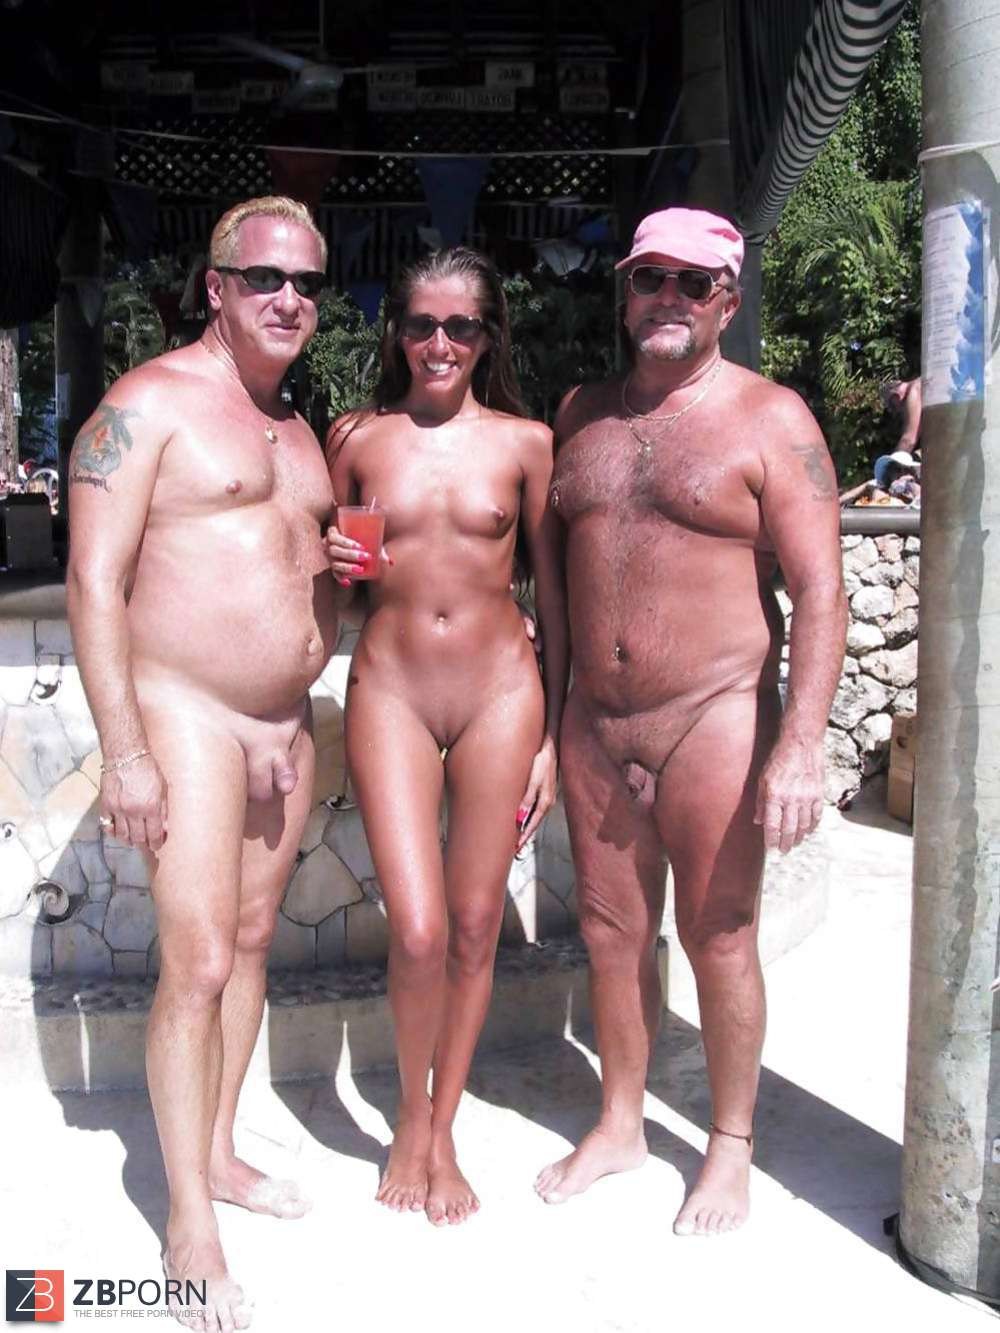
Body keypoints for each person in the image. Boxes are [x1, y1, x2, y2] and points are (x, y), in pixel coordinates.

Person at [534, 207, 847, 1234]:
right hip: (595, 720)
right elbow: (549, 579)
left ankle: (729, 1142)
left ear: (727, 300)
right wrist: (547, 718)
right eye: (649, 277)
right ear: (624, 291)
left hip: (715, 712)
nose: (667, 297)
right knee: (610, 932)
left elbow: (822, 589)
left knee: (719, 932)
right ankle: (620, 1122)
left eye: (692, 282)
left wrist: (800, 745)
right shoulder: (579, 413)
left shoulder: (772, 418)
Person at [67, 195, 340, 1331]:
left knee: (252, 943)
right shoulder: (144, 405)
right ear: (216, 286)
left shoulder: (298, 428)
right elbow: (93, 583)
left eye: (308, 283)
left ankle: (219, 1150)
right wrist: (126, 751)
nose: (288, 298)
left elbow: (283, 558)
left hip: (285, 722)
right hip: (184, 714)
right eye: (265, 277)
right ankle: (188, 1219)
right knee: (197, 962)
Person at [324, 247, 568, 1227]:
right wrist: (333, 561)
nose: (439, 342)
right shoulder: (356, 436)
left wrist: (551, 737)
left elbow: (553, 598)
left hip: (500, 695)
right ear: (397, 330)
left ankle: (440, 1126)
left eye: (460, 326)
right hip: (390, 689)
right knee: (418, 929)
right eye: (422, 323)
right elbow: (341, 590)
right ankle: (408, 1114)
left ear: (486, 336)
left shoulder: (527, 443)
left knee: (474, 925)